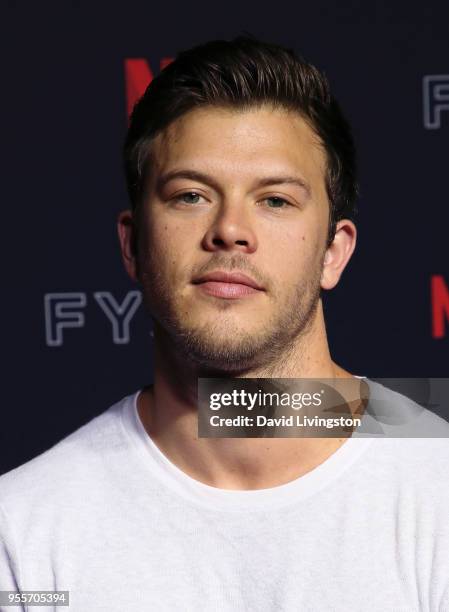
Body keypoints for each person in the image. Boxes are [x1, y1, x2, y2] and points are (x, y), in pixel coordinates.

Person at [0, 36, 448, 612]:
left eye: (276, 200)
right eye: (191, 195)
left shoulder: (436, 498)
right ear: (133, 244)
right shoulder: (23, 540)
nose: (231, 229)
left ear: (333, 253)